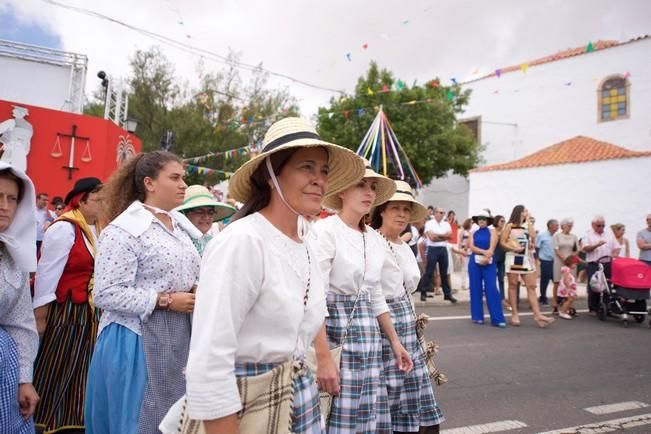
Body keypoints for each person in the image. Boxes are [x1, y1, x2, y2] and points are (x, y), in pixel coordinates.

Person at [163, 117, 366, 434]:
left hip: (299, 397)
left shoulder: (308, 241)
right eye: (306, 167)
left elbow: (309, 320)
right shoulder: (242, 242)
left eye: (324, 171)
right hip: (245, 406)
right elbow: (210, 359)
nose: (319, 180)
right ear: (272, 175)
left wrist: (323, 360)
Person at [85, 151, 202, 434]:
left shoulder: (180, 227)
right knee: (137, 420)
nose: (183, 184)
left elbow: (186, 273)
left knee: (172, 418)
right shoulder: (124, 230)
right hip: (134, 339)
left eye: (183, 177)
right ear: (149, 183)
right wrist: (164, 300)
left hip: (176, 336)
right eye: (174, 178)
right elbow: (106, 293)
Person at [313, 164, 413, 433]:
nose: (369, 192)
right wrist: (323, 357)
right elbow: (315, 299)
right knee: (335, 415)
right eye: (361, 185)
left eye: (372, 187)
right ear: (343, 190)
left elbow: (376, 294)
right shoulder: (325, 231)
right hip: (336, 335)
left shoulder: (374, 238)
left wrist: (395, 342)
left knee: (367, 417)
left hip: (369, 338)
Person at [370, 180, 445, 433]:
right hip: (383, 328)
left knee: (419, 407)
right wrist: (393, 338)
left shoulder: (404, 246)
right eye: (396, 208)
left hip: (408, 326)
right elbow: (374, 292)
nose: (402, 215)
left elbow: (408, 288)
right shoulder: (370, 241)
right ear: (382, 210)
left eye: (406, 209)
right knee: (391, 399)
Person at [32, 177, 103, 434]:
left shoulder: (98, 228)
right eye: (97, 199)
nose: (103, 204)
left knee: (82, 370)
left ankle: (73, 423)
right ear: (81, 200)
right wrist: (41, 316)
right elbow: (47, 274)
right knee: (58, 368)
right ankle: (46, 421)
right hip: (67, 312)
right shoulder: (64, 228)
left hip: (90, 314)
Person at [0, 163, 40, 434]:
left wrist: (24, 379)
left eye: (11, 198)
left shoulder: (13, 257)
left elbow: (21, 322)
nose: (4, 205)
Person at [500, 205, 554, 328]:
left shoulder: (527, 225)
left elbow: (533, 236)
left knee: (531, 286)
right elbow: (502, 242)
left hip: (526, 258)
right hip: (513, 257)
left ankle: (538, 315)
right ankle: (514, 314)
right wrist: (513, 247)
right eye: (524, 211)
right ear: (519, 212)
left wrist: (528, 221)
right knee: (513, 286)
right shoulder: (509, 226)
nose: (527, 212)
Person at [468, 210, 506, 327]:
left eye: (484, 219)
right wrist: (483, 252)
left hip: (489, 262)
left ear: (488, 220)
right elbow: (472, 246)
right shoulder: (473, 232)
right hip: (475, 262)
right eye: (479, 219)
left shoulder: (492, 231)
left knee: (491, 288)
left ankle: (497, 318)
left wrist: (487, 256)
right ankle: (477, 317)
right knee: (475, 288)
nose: (481, 221)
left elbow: (492, 247)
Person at [174, 184, 236, 255]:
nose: (206, 217)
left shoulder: (212, 241)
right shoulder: (177, 242)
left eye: (210, 212)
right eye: (199, 211)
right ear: (184, 214)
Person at [581, 216, 620, 314]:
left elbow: (617, 246)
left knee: (608, 285)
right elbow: (585, 248)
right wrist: (597, 245)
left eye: (603, 225)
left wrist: (615, 254)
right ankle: (593, 308)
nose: (601, 227)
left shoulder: (609, 235)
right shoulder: (588, 235)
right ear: (593, 225)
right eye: (599, 225)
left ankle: (606, 307)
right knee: (594, 285)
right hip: (594, 263)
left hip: (607, 263)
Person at [421, 207, 457, 303]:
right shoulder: (429, 223)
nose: (442, 214)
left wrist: (438, 236)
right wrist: (444, 236)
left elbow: (450, 236)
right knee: (429, 271)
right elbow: (432, 238)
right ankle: (423, 293)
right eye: (441, 212)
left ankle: (447, 294)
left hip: (443, 249)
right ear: (436, 213)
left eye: (443, 212)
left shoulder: (446, 224)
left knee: (444, 273)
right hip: (433, 249)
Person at [552, 218, 579, 314]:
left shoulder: (574, 237)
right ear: (563, 225)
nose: (570, 227)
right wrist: (565, 259)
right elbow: (556, 249)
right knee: (557, 282)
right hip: (560, 261)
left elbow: (576, 250)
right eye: (568, 225)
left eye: (571, 225)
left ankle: (569, 304)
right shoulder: (557, 236)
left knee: (570, 283)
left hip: (570, 262)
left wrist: (571, 260)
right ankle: (555, 303)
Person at [535, 219, 558, 305]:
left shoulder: (556, 236)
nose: (558, 227)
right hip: (545, 261)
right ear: (550, 226)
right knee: (545, 280)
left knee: (556, 280)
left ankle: (558, 298)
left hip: (555, 261)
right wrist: (537, 259)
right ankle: (543, 298)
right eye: (556, 225)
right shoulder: (542, 235)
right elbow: (537, 247)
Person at [492, 215, 510, 311]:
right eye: (501, 221)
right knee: (491, 279)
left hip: (502, 259)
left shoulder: (504, 233)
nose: (503, 223)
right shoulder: (492, 231)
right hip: (493, 258)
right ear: (497, 222)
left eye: (504, 221)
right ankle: (493, 297)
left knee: (501, 279)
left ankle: (502, 298)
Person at [557, 255, 580, 320]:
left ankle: (565, 310)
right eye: (575, 264)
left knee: (569, 299)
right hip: (567, 287)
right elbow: (566, 279)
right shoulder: (566, 269)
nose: (576, 266)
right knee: (569, 299)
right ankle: (563, 312)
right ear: (570, 262)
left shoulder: (566, 268)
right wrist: (568, 288)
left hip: (567, 287)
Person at [457, 218, 472, 291]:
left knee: (471, 269)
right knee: (464, 268)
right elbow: (459, 242)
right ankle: (463, 284)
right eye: (471, 223)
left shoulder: (472, 231)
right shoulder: (463, 231)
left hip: (471, 251)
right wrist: (459, 252)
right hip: (464, 250)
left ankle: (470, 284)